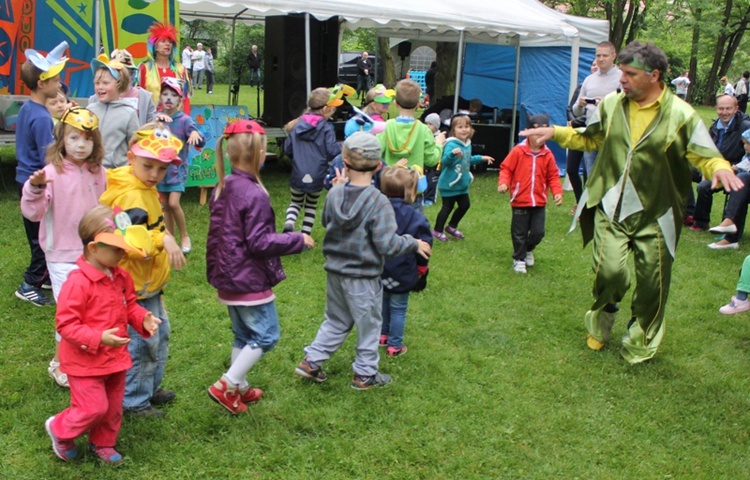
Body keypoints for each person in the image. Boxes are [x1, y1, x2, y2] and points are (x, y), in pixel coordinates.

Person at [520, 41, 743, 364]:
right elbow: (591, 137)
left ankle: (640, 336)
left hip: (658, 212)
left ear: (654, 75)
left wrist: (721, 168)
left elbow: (704, 154)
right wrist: (554, 132)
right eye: (621, 72)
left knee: (653, 282)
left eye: (629, 73)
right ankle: (605, 310)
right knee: (608, 272)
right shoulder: (612, 104)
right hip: (612, 206)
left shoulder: (681, 114)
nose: (621, 79)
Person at [294, 132, 432, 389]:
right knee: (369, 326)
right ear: (379, 165)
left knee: (335, 320)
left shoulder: (335, 194)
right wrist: (413, 242)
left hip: (335, 272)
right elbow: (388, 244)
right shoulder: (379, 202)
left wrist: (337, 189)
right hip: (363, 278)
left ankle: (311, 361)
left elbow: (326, 222)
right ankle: (365, 375)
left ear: (344, 161)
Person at [205, 120, 314, 414]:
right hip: (247, 278)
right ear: (260, 154)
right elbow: (259, 242)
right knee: (266, 335)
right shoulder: (254, 194)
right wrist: (297, 239)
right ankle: (227, 384)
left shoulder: (224, 185)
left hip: (227, 276)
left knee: (243, 335)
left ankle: (239, 386)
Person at [44, 205, 160, 464]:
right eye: (117, 249)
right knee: (92, 407)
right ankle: (60, 430)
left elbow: (129, 304)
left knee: (112, 407)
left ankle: (103, 443)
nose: (122, 253)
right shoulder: (77, 283)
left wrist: (144, 318)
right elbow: (66, 325)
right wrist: (98, 338)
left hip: (115, 358)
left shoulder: (121, 276)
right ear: (94, 248)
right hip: (84, 362)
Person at [99, 122, 187, 416]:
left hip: (149, 283)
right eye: (148, 166)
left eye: (161, 169)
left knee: (159, 336)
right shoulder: (130, 195)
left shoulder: (142, 186)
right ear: (130, 158)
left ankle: (149, 387)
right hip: (135, 286)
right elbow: (133, 242)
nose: (155, 175)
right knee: (143, 342)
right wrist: (165, 238)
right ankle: (135, 400)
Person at [21, 107, 106, 389]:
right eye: (73, 138)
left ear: (96, 142)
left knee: (92, 309)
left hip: (94, 254)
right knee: (71, 312)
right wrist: (34, 188)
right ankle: (60, 361)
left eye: (87, 139)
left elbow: (108, 207)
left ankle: (85, 356)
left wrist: (120, 228)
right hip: (60, 257)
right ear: (61, 141)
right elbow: (33, 213)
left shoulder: (99, 172)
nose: (80, 145)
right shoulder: (50, 173)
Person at [15, 41, 69, 306]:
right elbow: (46, 156)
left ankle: (44, 275)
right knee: (43, 239)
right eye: (55, 80)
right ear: (41, 84)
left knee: (38, 234)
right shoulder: (43, 118)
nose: (59, 84)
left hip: (24, 181)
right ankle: (29, 283)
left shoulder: (28, 108)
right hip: (36, 184)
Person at [498, 112, 563, 274]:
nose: (539, 136)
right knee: (519, 232)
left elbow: (553, 176)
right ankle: (519, 259)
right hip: (520, 199)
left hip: (539, 201)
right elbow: (506, 168)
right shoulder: (518, 151)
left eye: (543, 132)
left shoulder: (547, 155)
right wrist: (504, 183)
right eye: (535, 132)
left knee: (538, 232)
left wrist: (557, 192)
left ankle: (528, 249)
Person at [378, 166, 433, 357]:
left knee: (384, 302)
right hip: (403, 269)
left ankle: (383, 335)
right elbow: (424, 245)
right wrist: (422, 267)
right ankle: (395, 346)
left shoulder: (377, 212)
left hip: (379, 268)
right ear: (410, 191)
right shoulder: (416, 217)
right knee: (398, 308)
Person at [282, 87, 343, 235]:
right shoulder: (327, 128)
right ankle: (305, 236)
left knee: (295, 202)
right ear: (326, 109)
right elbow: (332, 151)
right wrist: (343, 145)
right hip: (317, 174)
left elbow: (287, 149)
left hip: (297, 173)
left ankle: (289, 223)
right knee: (311, 206)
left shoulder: (296, 125)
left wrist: (296, 159)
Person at [378, 79, 446, 210]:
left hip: (389, 185)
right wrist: (438, 144)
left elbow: (375, 153)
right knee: (413, 225)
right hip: (413, 187)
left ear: (395, 103)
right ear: (419, 103)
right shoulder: (424, 129)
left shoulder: (385, 127)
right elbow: (431, 160)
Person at [156, 78, 205, 254]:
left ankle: (184, 235)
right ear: (160, 97)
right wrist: (156, 122)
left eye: (173, 95)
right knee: (166, 206)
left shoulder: (184, 120)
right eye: (165, 94)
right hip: (160, 171)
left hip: (177, 171)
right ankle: (171, 239)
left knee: (174, 203)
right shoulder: (157, 118)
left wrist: (194, 134)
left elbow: (198, 136)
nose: (169, 98)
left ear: (180, 100)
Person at [691, 94, 750, 233]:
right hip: (713, 166)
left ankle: (701, 222)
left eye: (728, 108)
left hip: (734, 171)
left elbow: (746, 157)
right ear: (716, 109)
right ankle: (688, 213)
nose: (724, 112)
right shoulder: (715, 126)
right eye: (721, 109)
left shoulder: (744, 126)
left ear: (736, 108)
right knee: (680, 169)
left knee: (704, 186)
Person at [432, 114, 494, 242]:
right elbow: (445, 162)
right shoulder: (451, 145)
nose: (464, 129)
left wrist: (482, 158)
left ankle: (451, 227)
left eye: (467, 126)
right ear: (453, 130)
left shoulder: (467, 144)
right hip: (450, 183)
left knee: (465, 205)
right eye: (460, 127)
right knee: (447, 208)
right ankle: (437, 231)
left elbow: (467, 160)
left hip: (462, 184)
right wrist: (452, 155)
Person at [571, 41, 621, 177]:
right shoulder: (589, 80)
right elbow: (576, 112)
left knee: (610, 178)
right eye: (598, 55)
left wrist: (606, 104)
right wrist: (581, 104)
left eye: (605, 55)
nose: (601, 59)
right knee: (591, 177)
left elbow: (629, 107)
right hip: (592, 133)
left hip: (613, 135)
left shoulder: (623, 78)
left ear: (613, 56)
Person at [87, 54, 139, 169]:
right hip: (91, 170)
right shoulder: (90, 110)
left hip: (117, 173)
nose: (100, 87)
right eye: (97, 83)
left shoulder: (128, 113)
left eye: (105, 83)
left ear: (119, 83)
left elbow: (135, 145)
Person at [707, 129, 750, 249]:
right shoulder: (747, 158)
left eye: (748, 144)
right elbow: (741, 166)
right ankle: (730, 236)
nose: (745, 147)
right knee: (741, 184)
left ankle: (730, 225)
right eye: (744, 143)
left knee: (743, 178)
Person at [139, 22, 192, 114]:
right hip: (152, 119)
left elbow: (185, 98)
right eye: (163, 41)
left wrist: (185, 120)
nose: (167, 44)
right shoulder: (145, 69)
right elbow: (138, 96)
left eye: (170, 42)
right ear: (155, 46)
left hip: (175, 119)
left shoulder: (180, 70)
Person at [567, 61, 598, 214]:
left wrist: (575, 121)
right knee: (571, 168)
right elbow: (571, 107)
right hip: (576, 133)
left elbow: (589, 116)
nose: (595, 66)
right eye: (593, 64)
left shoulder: (606, 92)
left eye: (598, 64)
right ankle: (579, 201)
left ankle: (587, 205)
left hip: (591, 133)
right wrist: (573, 121)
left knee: (588, 171)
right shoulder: (582, 86)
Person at [94, 49, 156, 126]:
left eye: (130, 71)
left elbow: (150, 124)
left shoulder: (145, 97)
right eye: (120, 72)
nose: (126, 75)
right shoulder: (95, 99)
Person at [422, 112, 442, 207]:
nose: (428, 126)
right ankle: (423, 196)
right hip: (425, 164)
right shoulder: (424, 135)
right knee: (423, 180)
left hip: (436, 165)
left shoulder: (439, 137)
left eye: (430, 124)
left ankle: (430, 198)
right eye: (426, 123)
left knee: (432, 182)